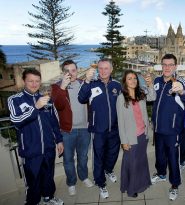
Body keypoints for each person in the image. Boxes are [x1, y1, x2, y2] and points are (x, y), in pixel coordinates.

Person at [7, 69, 64, 205]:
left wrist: (59, 140)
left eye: (37, 81)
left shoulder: (46, 99)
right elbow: (16, 121)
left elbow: (54, 122)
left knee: (48, 177)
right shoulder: (14, 99)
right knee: (33, 181)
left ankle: (49, 197)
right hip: (30, 151)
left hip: (49, 148)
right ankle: (33, 202)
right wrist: (35, 107)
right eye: (30, 81)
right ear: (24, 81)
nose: (34, 84)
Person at [151, 53, 185, 201]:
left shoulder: (181, 82)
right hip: (158, 128)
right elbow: (153, 99)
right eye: (164, 64)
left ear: (175, 66)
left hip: (173, 131)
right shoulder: (157, 80)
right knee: (159, 155)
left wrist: (182, 92)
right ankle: (161, 174)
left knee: (173, 158)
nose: (167, 67)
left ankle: (175, 185)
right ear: (161, 65)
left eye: (170, 65)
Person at [78, 58, 121, 199]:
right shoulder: (91, 85)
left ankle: (108, 170)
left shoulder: (117, 85)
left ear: (111, 70)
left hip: (115, 129)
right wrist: (86, 81)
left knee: (113, 153)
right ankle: (100, 183)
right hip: (98, 130)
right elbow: (81, 98)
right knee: (98, 157)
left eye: (106, 68)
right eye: (100, 68)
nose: (103, 71)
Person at [51, 60, 93, 196]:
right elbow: (58, 105)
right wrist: (63, 87)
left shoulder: (83, 84)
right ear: (63, 73)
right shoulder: (57, 87)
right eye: (67, 71)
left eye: (73, 70)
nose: (71, 73)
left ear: (77, 70)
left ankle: (84, 177)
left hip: (84, 129)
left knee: (83, 157)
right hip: (66, 131)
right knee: (68, 160)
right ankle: (71, 182)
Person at [116, 70, 156, 197]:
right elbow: (120, 122)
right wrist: (123, 141)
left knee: (141, 162)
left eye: (135, 78)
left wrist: (150, 84)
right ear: (125, 81)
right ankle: (131, 188)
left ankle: (141, 183)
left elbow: (153, 97)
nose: (133, 80)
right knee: (131, 164)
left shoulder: (141, 94)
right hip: (130, 138)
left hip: (142, 135)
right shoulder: (121, 98)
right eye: (129, 78)